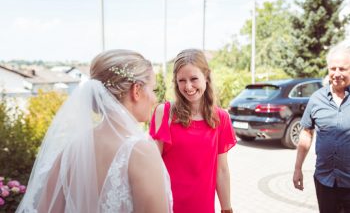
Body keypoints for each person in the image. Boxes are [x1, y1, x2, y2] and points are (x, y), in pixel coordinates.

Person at [17, 49, 172, 213]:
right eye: (153, 90)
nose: (155, 98)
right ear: (137, 90)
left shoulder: (70, 150)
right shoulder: (141, 151)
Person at [149, 49, 236, 213]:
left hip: (202, 206)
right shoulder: (164, 112)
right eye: (182, 80)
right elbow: (151, 165)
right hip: (167, 205)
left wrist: (227, 209)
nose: (188, 87)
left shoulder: (221, 118)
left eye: (194, 79)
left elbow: (222, 170)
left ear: (206, 77)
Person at [293, 46, 350, 213]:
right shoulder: (317, 98)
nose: (337, 73)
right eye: (333, 68)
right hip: (326, 182)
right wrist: (297, 168)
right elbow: (306, 132)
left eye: (343, 69)